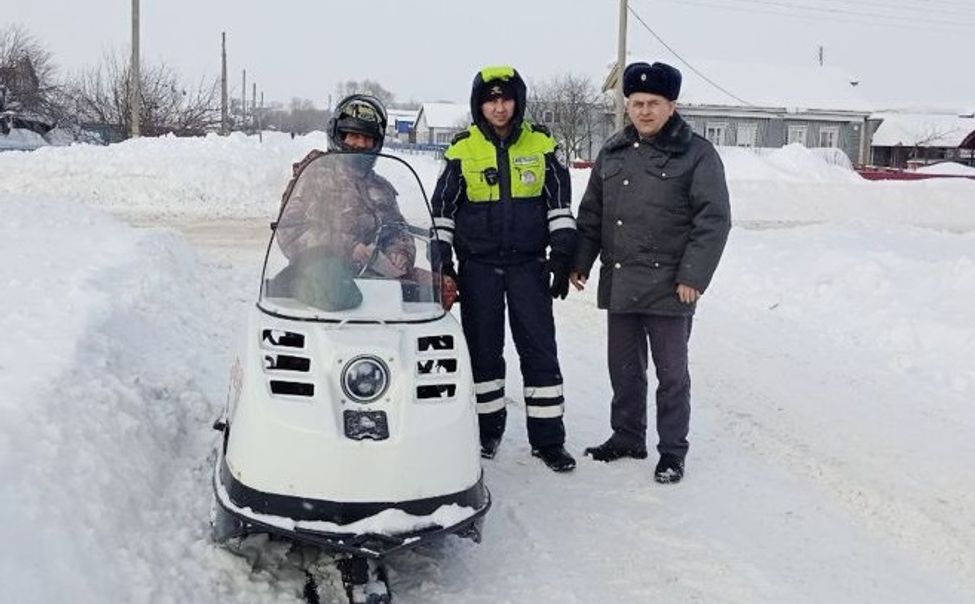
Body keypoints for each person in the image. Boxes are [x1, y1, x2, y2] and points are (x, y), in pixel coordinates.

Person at [570, 61, 731, 484]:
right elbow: (592, 213)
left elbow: (713, 220)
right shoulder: (614, 151)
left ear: (671, 105)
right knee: (623, 368)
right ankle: (627, 437)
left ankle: (672, 451)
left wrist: (693, 277)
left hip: (671, 286)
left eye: (653, 103)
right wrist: (581, 262)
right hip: (621, 279)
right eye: (637, 103)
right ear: (628, 104)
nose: (644, 111)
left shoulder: (698, 154)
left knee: (671, 375)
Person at [430, 65, 577, 473]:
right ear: (480, 104)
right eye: (490, 100)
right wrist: (443, 264)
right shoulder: (463, 149)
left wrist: (562, 255)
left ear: (518, 102)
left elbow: (559, 207)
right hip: (479, 269)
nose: (499, 107)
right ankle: (486, 431)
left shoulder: (542, 144)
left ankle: (549, 441)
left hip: (528, 267)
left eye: (506, 98)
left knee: (540, 351)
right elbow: (442, 214)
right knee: (483, 355)